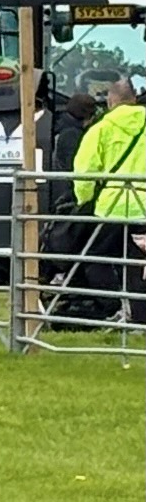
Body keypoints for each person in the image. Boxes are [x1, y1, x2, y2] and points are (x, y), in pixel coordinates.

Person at [72, 78, 146, 325]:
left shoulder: (101, 129)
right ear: (135, 99)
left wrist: (86, 200)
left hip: (111, 207)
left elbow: (84, 170)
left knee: (96, 258)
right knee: (138, 264)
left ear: (111, 102)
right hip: (144, 208)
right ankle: (140, 317)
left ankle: (113, 305)